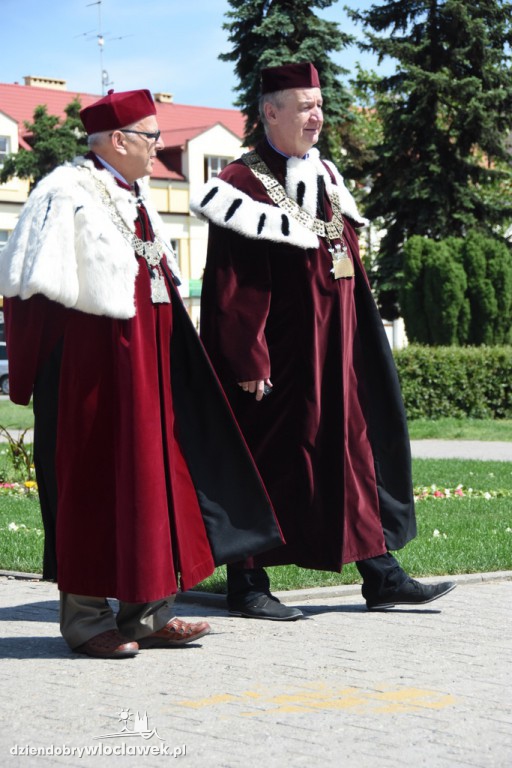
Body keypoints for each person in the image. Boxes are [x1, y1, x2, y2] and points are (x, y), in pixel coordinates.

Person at [0, 88, 282, 657]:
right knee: (92, 485)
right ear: (117, 139)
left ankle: (147, 614)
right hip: (91, 377)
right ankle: (85, 622)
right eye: (151, 136)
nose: (157, 146)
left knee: (152, 485)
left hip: (149, 373)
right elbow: (27, 291)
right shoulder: (65, 193)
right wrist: (33, 379)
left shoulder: (136, 197)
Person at [192, 62, 455, 621]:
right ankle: (247, 584)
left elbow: (344, 259)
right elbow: (235, 284)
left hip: (336, 352)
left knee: (353, 455)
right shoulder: (241, 183)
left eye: (320, 105)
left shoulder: (326, 174)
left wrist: (361, 341)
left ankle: (380, 573)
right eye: (305, 106)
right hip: (278, 360)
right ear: (271, 112)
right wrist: (248, 356)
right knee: (264, 461)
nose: (317, 116)